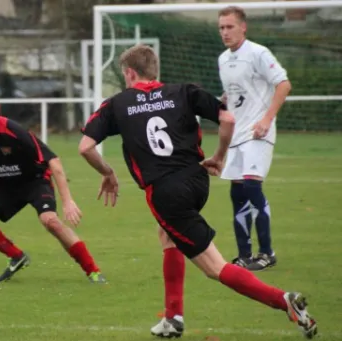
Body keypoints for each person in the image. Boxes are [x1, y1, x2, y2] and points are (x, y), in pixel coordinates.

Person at [78, 44, 316, 339]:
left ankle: (283, 300)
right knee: (167, 234)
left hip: (166, 193)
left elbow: (85, 147)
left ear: (129, 73)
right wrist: (219, 156)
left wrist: (108, 173)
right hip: (197, 180)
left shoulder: (117, 103)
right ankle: (172, 317)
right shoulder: (183, 91)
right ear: (155, 71)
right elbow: (228, 119)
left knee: (214, 267)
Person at [0, 89, 106, 283]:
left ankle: (92, 270)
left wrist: (68, 201)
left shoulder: (14, 131)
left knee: (51, 221)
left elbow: (54, 162)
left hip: (35, 181)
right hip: (6, 186)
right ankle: (17, 256)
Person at [218, 6, 292, 270]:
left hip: (258, 133)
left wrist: (266, 119)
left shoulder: (258, 53)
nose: (225, 32)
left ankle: (267, 252)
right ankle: (245, 255)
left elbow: (283, 84)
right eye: (221, 28)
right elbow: (234, 97)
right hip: (238, 135)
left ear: (243, 27)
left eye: (230, 26)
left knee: (251, 187)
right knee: (237, 192)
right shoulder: (222, 59)